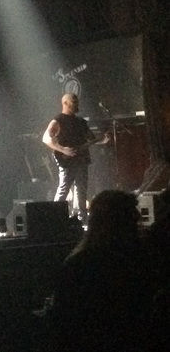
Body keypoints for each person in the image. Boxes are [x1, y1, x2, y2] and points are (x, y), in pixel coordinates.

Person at [48, 190, 153, 352]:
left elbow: (63, 320)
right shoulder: (143, 259)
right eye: (134, 218)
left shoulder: (79, 263)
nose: (138, 220)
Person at [42, 93, 108, 223]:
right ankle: (55, 217)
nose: (77, 104)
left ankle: (82, 218)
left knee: (81, 190)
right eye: (74, 102)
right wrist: (62, 149)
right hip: (66, 161)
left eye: (77, 101)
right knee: (64, 189)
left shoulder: (81, 122)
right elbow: (46, 138)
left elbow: (92, 139)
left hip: (82, 159)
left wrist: (103, 140)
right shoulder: (58, 120)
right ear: (65, 103)